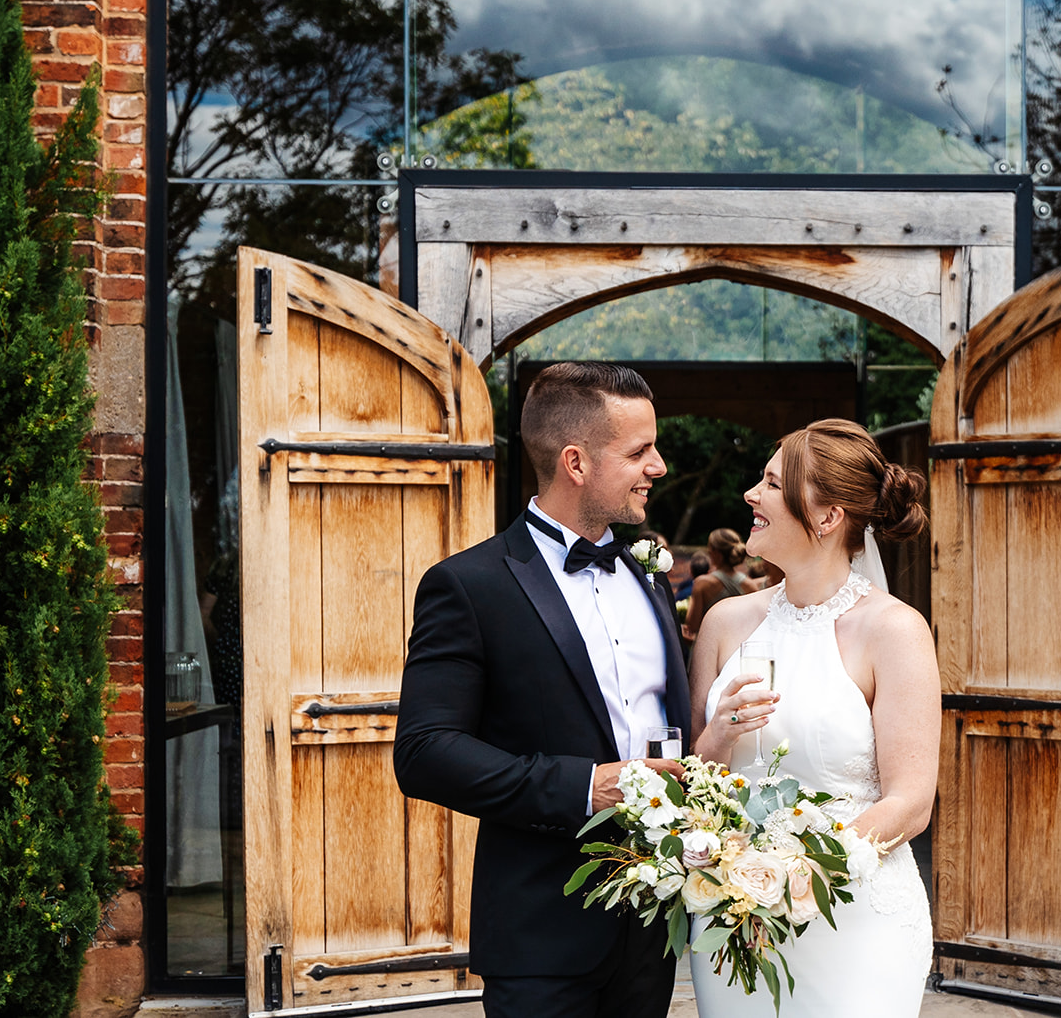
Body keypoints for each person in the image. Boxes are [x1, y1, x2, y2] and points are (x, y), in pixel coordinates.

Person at [394, 362, 690, 1018]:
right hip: (539, 936)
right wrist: (589, 786)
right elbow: (424, 750)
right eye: (640, 451)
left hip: (650, 930)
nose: (660, 465)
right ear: (576, 462)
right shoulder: (470, 585)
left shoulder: (651, 582)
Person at [687, 418, 940, 1017]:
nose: (751, 494)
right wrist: (718, 734)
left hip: (855, 921)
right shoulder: (725, 624)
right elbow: (695, 782)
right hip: (734, 917)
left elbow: (910, 803)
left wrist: (798, 872)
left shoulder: (895, 631)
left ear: (827, 517)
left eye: (772, 484)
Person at [681, 527, 757, 643]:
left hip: (709, 646)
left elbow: (692, 625)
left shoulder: (702, 583)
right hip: (738, 648)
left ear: (716, 553)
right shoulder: (751, 586)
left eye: (709, 548)